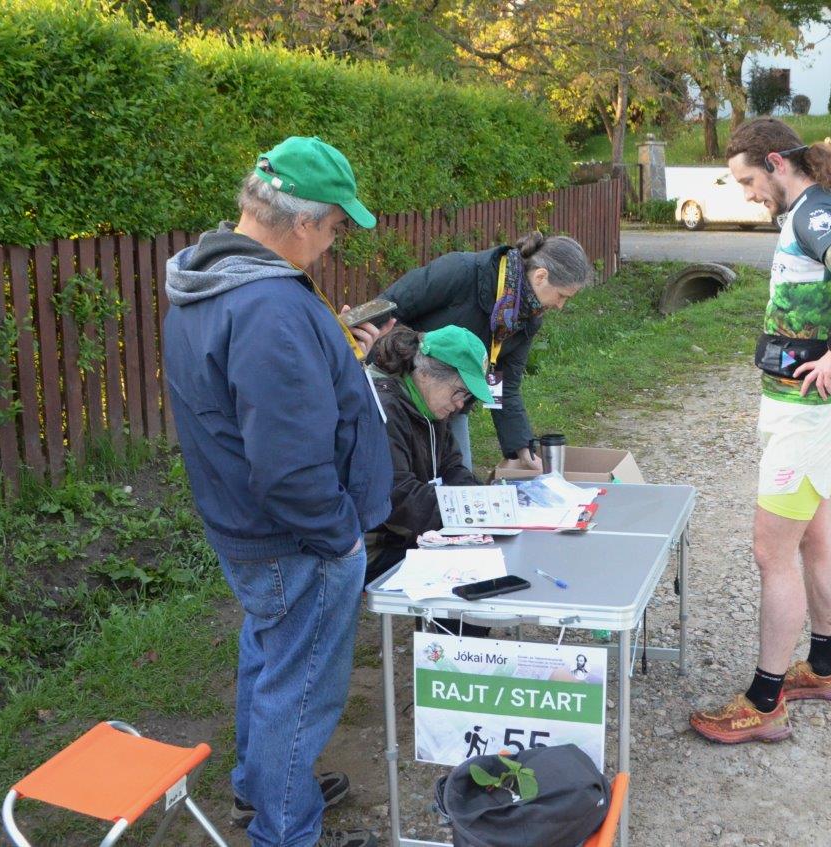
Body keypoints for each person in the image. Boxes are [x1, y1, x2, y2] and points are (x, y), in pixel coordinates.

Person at [163, 136, 392, 847]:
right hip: (299, 538)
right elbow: (289, 465)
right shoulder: (267, 305)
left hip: (248, 525)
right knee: (300, 693)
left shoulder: (213, 279)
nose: (332, 242)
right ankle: (284, 830)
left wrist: (337, 352)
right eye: (335, 227)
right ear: (303, 220)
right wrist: (340, 535)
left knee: (271, 660)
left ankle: (260, 792)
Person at [689, 118, 831, 744]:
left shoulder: (812, 215)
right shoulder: (812, 207)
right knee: (814, 536)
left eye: (748, 180)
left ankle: (765, 702)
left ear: (775, 162)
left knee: (772, 553)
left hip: (807, 414)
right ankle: (823, 669)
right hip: (809, 411)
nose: (748, 194)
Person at [381, 231, 594, 472]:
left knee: (459, 478)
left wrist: (521, 447)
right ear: (541, 276)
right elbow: (387, 311)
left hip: (452, 407)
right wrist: (405, 373)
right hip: (399, 395)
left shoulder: (528, 318)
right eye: (561, 295)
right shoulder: (461, 271)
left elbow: (503, 384)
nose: (560, 305)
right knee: (402, 479)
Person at [362, 324, 493, 584]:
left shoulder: (429, 405)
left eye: (466, 397)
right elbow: (398, 494)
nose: (460, 405)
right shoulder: (384, 409)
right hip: (377, 543)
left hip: (413, 531)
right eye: (459, 392)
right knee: (469, 569)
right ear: (426, 374)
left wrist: (482, 503)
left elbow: (452, 467)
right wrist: (466, 515)